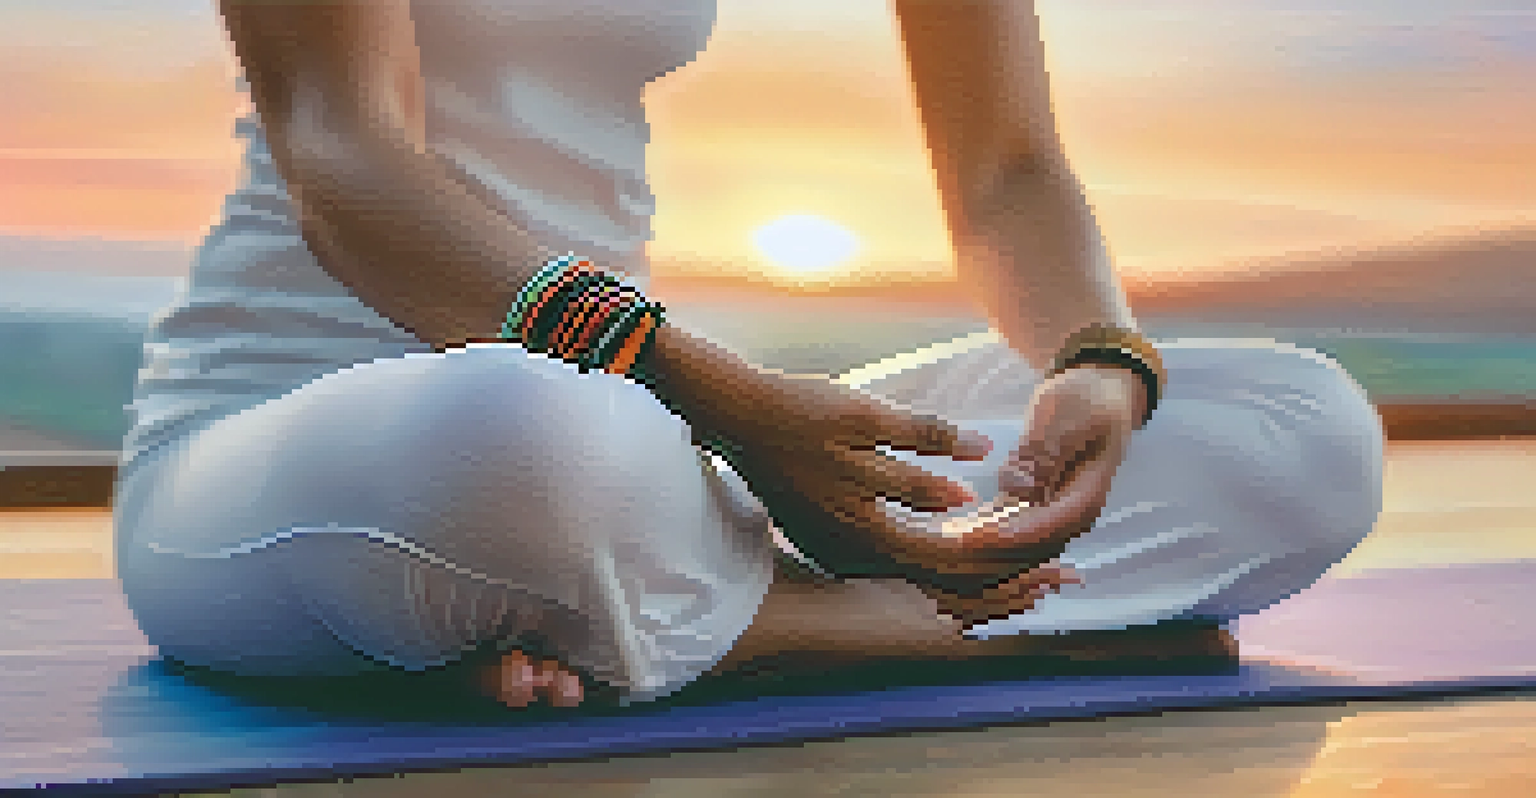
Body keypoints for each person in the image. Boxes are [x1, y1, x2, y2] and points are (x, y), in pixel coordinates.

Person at [112, 0, 1384, 710]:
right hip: (311, 440)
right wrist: (725, 413)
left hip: (642, 430)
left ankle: (650, 617)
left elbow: (1009, 170)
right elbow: (347, 167)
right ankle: (840, 628)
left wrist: (1096, 361)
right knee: (517, 441)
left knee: (1300, 427)